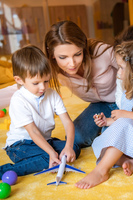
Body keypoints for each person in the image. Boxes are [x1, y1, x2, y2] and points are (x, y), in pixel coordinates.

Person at [0, 20, 133, 148]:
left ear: (84, 47)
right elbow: (21, 86)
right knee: (76, 139)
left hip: (130, 101)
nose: (72, 63)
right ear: (52, 55)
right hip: (101, 106)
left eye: (77, 54)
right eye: (63, 57)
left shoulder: (102, 52)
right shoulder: (50, 68)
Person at [0, 45, 80, 178]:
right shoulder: (18, 100)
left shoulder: (52, 94)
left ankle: (47, 156)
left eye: (46, 81)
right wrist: (51, 153)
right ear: (19, 80)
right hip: (20, 146)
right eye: (36, 83)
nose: (43, 87)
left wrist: (69, 146)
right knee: (45, 158)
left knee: (75, 149)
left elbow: (67, 122)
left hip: (44, 140)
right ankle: (4, 170)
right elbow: (33, 131)